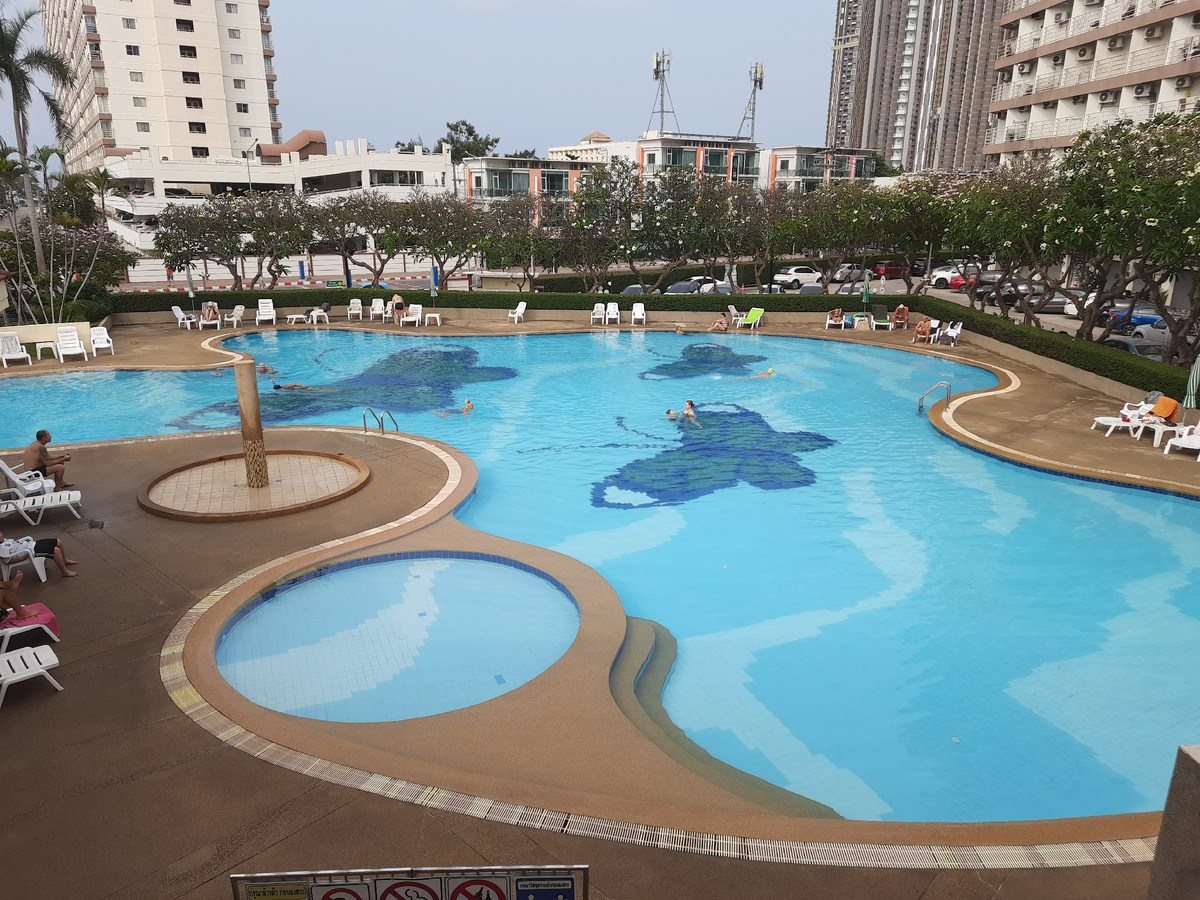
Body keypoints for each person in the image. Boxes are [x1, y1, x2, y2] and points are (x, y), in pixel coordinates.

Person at [0, 531, 78, 578]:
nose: (1, 534)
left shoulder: (3, 541)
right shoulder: (1, 547)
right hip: (32, 551)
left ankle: (64, 561)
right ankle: (64, 572)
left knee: (58, 541)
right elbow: (7, 560)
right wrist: (23, 558)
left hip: (32, 544)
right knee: (56, 551)